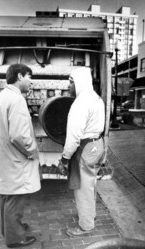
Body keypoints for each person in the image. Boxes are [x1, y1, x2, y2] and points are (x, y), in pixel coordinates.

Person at [0, 64, 41, 248]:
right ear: (19, 76)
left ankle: (9, 229)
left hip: (5, 158)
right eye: (29, 77)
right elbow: (18, 135)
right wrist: (31, 151)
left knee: (8, 197)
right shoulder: (17, 99)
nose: (31, 81)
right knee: (16, 198)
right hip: (15, 160)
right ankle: (15, 238)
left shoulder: (1, 96)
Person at [58, 67, 105, 237]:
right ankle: (90, 216)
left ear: (79, 82)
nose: (68, 86)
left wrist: (64, 158)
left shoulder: (80, 103)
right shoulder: (96, 98)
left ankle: (85, 226)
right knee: (90, 184)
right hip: (97, 144)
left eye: (71, 82)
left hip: (85, 148)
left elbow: (73, 138)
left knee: (82, 188)